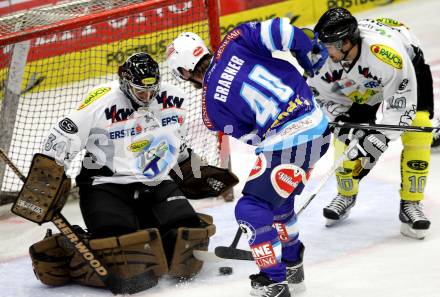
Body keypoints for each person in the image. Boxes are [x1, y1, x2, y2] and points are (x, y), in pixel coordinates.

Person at [24, 52, 237, 293]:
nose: (147, 97)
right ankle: (70, 248)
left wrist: (188, 167)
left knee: (187, 242)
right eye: (140, 91)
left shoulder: (171, 98)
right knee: (125, 257)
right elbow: (63, 135)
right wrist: (46, 174)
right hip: (105, 184)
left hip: (155, 182)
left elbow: (176, 141)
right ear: (125, 84)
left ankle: (146, 229)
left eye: (151, 91)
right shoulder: (101, 101)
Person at [166, 18, 330, 297]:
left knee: (251, 210)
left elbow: (256, 137)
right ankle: (292, 263)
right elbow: (283, 30)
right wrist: (308, 52)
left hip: (290, 144)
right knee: (277, 205)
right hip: (318, 126)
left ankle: (273, 281)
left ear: (184, 71)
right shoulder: (235, 40)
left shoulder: (210, 111)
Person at [308, 8, 434, 239]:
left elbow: (401, 105)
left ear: (347, 42)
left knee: (419, 129)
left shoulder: (386, 56)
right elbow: (321, 96)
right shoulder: (322, 59)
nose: (325, 52)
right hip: (358, 80)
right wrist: (342, 119)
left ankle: (411, 203)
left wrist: (381, 137)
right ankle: (346, 194)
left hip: (406, 70)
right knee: (347, 134)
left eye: (331, 46)